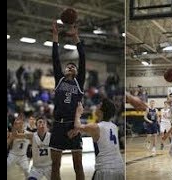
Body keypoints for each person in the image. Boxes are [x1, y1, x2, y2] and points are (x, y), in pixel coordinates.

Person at [49, 19, 86, 180]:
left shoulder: (80, 81)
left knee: (78, 165)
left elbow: (82, 57)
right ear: (64, 71)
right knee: (55, 165)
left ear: (77, 72)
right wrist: (55, 37)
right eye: (68, 66)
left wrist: (76, 36)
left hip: (73, 125)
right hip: (58, 125)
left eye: (73, 66)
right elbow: (55, 59)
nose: (70, 66)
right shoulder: (59, 80)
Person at [73, 99, 124, 180]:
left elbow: (77, 126)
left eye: (99, 105)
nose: (96, 106)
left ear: (101, 112)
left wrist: (78, 113)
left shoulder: (96, 127)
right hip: (120, 167)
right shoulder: (114, 126)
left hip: (105, 169)